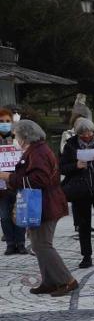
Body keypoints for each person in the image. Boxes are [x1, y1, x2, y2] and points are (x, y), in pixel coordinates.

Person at [0, 120, 74, 295]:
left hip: (45, 204)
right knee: (37, 244)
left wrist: (7, 177)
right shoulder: (36, 150)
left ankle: (67, 280)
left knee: (43, 245)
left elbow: (39, 180)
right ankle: (49, 281)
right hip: (40, 204)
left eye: (16, 135)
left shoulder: (38, 152)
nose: (15, 138)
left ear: (25, 136)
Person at [59, 117, 94, 268]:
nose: (88, 136)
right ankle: (86, 256)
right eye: (83, 134)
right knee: (84, 224)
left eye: (90, 132)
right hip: (80, 190)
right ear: (78, 133)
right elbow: (62, 167)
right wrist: (76, 165)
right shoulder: (71, 145)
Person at [0, 105, 26, 255]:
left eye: (7, 120)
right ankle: (10, 243)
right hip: (2, 185)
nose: (4, 123)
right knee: (4, 216)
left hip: (17, 181)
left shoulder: (18, 137)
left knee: (19, 213)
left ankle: (21, 243)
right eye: (1, 121)